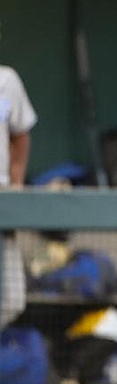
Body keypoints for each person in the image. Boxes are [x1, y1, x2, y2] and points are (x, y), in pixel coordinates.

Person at [0, 56, 36, 330]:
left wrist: (16, 183)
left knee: (11, 299)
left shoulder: (5, 80)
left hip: (2, 201)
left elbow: (20, 135)